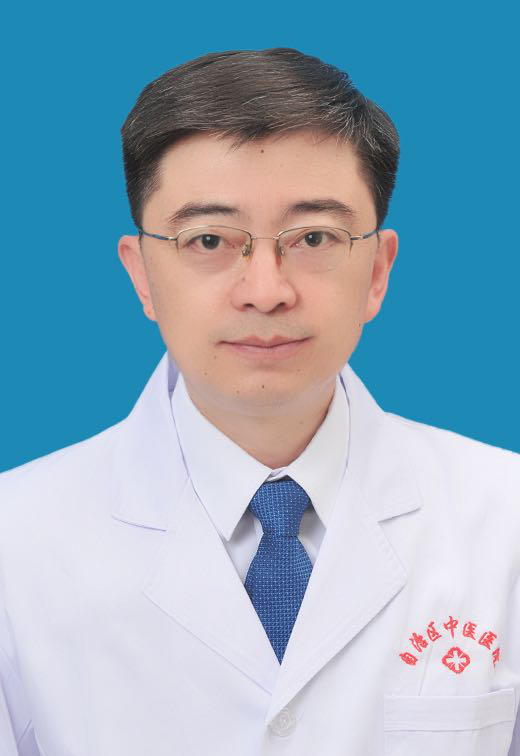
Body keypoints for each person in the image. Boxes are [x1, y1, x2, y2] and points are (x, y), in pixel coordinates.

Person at [0, 47, 519, 756]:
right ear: (142, 274)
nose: (266, 291)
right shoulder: (16, 543)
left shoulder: (504, 519)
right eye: (210, 239)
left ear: (377, 270)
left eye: (314, 237)